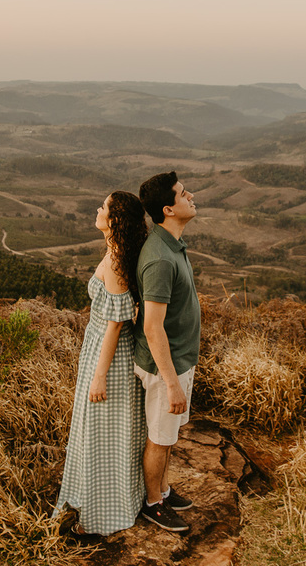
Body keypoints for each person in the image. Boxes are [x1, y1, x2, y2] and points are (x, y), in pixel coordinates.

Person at [56, 191, 148, 536]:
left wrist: (99, 376)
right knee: (105, 430)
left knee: (105, 431)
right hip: (100, 347)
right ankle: (100, 498)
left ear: (115, 220)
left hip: (110, 354)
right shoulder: (115, 252)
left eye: (104, 207)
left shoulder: (116, 259)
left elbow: (115, 323)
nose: (97, 209)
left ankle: (103, 512)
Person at [133, 171, 200, 533]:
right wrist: (172, 383)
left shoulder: (171, 244)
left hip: (178, 362)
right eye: (183, 194)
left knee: (169, 434)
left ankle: (163, 489)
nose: (191, 196)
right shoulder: (160, 258)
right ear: (168, 209)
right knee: (160, 438)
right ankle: (153, 504)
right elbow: (152, 327)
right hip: (165, 369)